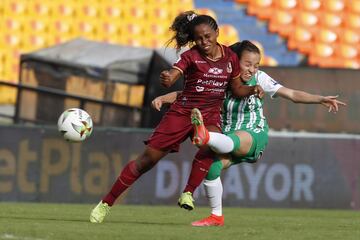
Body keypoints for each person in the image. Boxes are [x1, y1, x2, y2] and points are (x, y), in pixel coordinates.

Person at [89, 11, 262, 223]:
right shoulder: (191, 56)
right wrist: (168, 78)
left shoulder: (230, 58)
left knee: (212, 145)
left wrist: (253, 89)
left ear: (217, 33)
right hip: (182, 113)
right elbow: (174, 73)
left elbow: (236, 89)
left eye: (207, 36)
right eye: (198, 38)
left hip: (209, 115)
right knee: (146, 161)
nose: (203, 41)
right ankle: (105, 203)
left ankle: (188, 192)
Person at [152, 40, 346, 226]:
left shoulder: (260, 79)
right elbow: (188, 94)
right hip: (226, 139)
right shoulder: (222, 78)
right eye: (248, 64)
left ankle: (205, 136)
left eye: (256, 65)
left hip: (253, 135)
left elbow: (292, 94)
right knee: (212, 168)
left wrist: (320, 99)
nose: (253, 69)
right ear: (235, 62)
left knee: (226, 142)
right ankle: (216, 217)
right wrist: (164, 98)